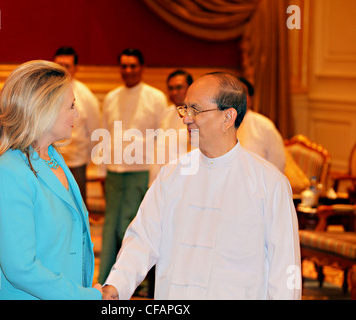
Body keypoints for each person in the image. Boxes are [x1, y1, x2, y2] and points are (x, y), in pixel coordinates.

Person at [102, 72, 301, 300]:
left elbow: (285, 267)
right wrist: (117, 285)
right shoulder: (172, 175)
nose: (186, 118)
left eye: (195, 110)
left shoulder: (269, 183)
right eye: (185, 109)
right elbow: (142, 238)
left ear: (228, 117)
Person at [0, 60, 102, 300]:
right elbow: (21, 269)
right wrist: (87, 297)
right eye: (71, 106)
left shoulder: (53, 158)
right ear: (44, 110)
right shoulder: (7, 173)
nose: (77, 113)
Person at [97, 48, 167, 284]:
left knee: (135, 227)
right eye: (124, 66)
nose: (128, 70)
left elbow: (162, 138)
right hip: (115, 171)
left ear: (141, 67)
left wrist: (156, 175)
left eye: (133, 65)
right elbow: (105, 135)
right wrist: (101, 171)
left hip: (142, 171)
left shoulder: (155, 97)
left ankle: (137, 281)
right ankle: (108, 278)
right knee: (111, 228)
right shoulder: (111, 97)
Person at [54, 46, 101, 203]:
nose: (62, 69)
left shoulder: (85, 95)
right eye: (59, 64)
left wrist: (86, 156)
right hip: (49, 158)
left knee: (77, 204)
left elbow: (95, 130)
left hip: (76, 161)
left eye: (67, 65)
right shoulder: (46, 91)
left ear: (75, 68)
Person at [150, 69, 194, 183]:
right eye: (170, 88)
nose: (174, 92)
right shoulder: (165, 113)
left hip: (185, 179)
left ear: (190, 88)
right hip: (162, 178)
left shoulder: (198, 115)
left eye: (179, 87)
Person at [237, 77, 286, 173]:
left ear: (250, 99)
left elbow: (278, 165)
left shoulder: (264, 126)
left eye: (242, 93)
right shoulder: (217, 124)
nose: (236, 98)